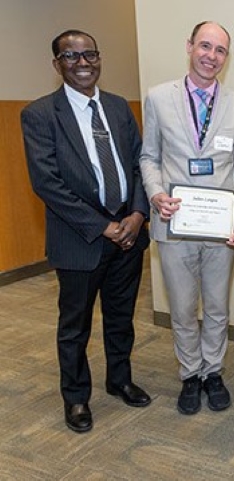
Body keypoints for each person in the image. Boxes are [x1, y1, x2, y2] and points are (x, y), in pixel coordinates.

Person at [21, 29, 151, 433]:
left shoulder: (117, 107)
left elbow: (138, 164)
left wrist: (137, 214)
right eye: (71, 56)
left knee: (120, 316)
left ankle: (120, 379)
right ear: (56, 64)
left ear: (99, 58)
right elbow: (47, 183)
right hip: (80, 238)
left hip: (128, 234)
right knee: (75, 326)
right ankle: (76, 397)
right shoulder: (41, 114)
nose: (82, 62)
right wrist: (104, 226)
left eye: (89, 54)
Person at [139, 21, 234, 415]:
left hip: (221, 229)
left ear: (227, 57)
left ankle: (213, 372)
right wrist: (156, 194)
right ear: (189, 46)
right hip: (175, 225)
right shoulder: (157, 98)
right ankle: (190, 374)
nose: (211, 56)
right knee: (184, 308)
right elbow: (149, 157)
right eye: (205, 46)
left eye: (220, 50)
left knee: (218, 307)